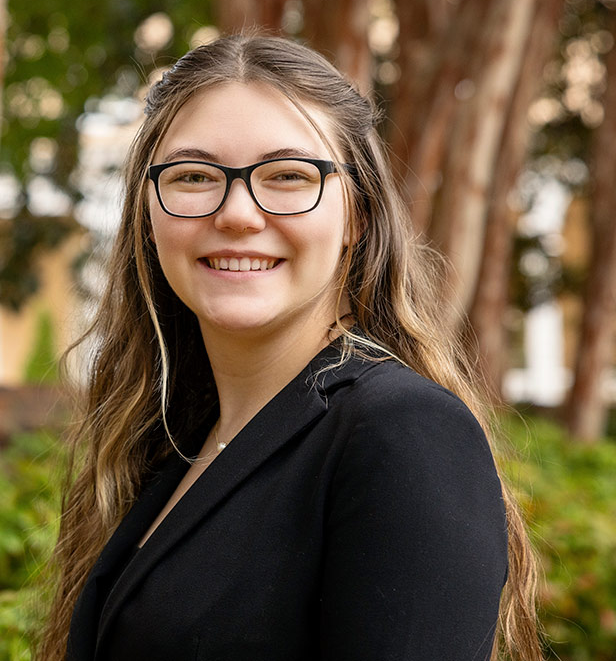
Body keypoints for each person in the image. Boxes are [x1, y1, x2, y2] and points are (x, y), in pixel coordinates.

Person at [38, 34, 541, 661]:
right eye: (194, 175)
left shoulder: (403, 434)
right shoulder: (175, 439)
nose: (239, 213)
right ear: (147, 211)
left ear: (357, 215)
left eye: (288, 176)